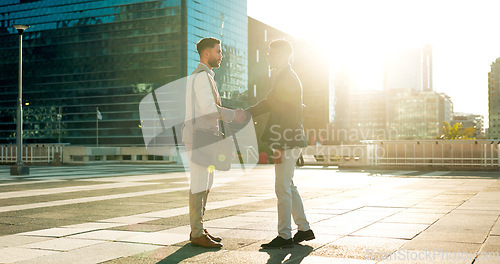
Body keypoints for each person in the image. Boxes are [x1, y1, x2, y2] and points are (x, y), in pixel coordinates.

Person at [246, 39, 315, 249]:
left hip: (286, 138)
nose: (268, 56)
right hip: (291, 138)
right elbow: (279, 106)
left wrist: (278, 145)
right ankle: (304, 229)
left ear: (282, 55)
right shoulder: (285, 77)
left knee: (282, 188)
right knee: (289, 185)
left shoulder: (287, 78)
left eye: (271, 53)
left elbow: (283, 113)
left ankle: (284, 236)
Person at [182, 37, 245, 248]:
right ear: (206, 54)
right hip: (199, 137)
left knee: (205, 184)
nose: (221, 55)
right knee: (199, 184)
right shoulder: (201, 77)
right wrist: (232, 115)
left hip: (205, 137)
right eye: (218, 52)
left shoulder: (205, 76)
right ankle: (197, 232)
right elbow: (209, 108)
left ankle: (199, 228)